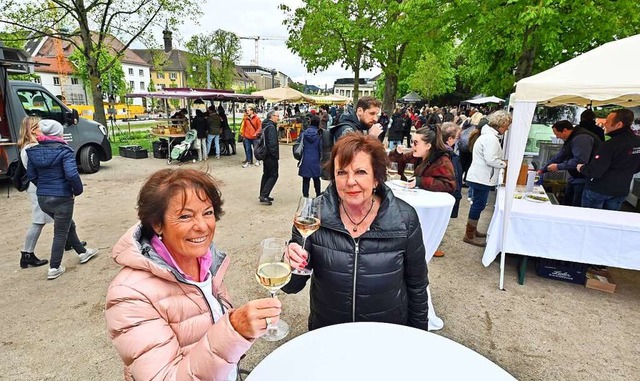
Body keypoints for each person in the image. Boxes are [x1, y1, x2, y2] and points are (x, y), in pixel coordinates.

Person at [105, 168, 282, 381]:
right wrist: (233, 331)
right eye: (185, 216)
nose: (202, 226)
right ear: (157, 224)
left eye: (207, 213)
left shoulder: (207, 264)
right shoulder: (129, 295)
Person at [283, 134, 429, 331]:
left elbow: (417, 286)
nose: (350, 181)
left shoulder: (404, 219)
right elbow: (293, 285)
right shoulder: (312, 216)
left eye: (360, 172)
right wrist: (288, 263)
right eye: (342, 172)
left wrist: (418, 337)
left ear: (377, 178)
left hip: (386, 333)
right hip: (328, 331)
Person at [25, 119, 98, 280]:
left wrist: (43, 188)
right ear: (58, 133)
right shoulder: (65, 150)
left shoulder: (33, 151)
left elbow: (31, 175)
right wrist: (77, 191)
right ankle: (54, 267)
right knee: (60, 233)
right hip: (62, 197)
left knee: (67, 225)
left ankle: (83, 252)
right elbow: (71, 174)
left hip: (43, 198)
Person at [464, 110, 512, 247]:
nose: (507, 129)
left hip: (481, 176)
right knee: (479, 204)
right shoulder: (491, 139)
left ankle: (472, 231)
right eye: (507, 126)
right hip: (481, 177)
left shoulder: (488, 136)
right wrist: (505, 164)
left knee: (478, 204)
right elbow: (491, 160)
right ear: (501, 124)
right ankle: (469, 235)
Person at [577, 109, 640, 210]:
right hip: (621, 190)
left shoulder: (609, 145)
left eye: (607, 121)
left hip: (598, 190)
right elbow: (636, 168)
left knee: (591, 221)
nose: (604, 124)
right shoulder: (637, 142)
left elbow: (595, 171)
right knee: (610, 222)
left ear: (619, 124)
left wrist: (581, 168)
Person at [540, 120, 600, 207]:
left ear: (565, 130)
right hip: (574, 177)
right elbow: (561, 155)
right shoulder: (570, 138)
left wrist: (558, 166)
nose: (557, 137)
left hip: (584, 178)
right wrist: (543, 169)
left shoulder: (581, 138)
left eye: (557, 134)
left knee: (575, 205)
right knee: (567, 201)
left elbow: (580, 161)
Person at [16, 116, 49, 269]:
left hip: (37, 187)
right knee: (39, 221)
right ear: (33, 129)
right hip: (38, 187)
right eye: (39, 126)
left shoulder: (28, 147)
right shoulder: (31, 148)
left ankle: (70, 241)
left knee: (60, 216)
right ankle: (27, 253)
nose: (42, 128)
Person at [298, 115, 323, 198]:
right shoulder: (319, 134)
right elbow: (321, 148)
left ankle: (305, 196)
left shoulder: (303, 133)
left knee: (305, 180)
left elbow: (298, 145)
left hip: (305, 159)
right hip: (316, 159)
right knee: (316, 179)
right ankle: (318, 194)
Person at [258, 110, 280, 205]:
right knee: (274, 175)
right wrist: (275, 155)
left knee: (266, 174)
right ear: (271, 117)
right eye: (276, 116)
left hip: (265, 154)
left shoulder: (266, 125)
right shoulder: (271, 127)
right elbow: (272, 143)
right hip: (270, 155)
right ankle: (264, 195)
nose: (278, 118)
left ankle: (263, 194)